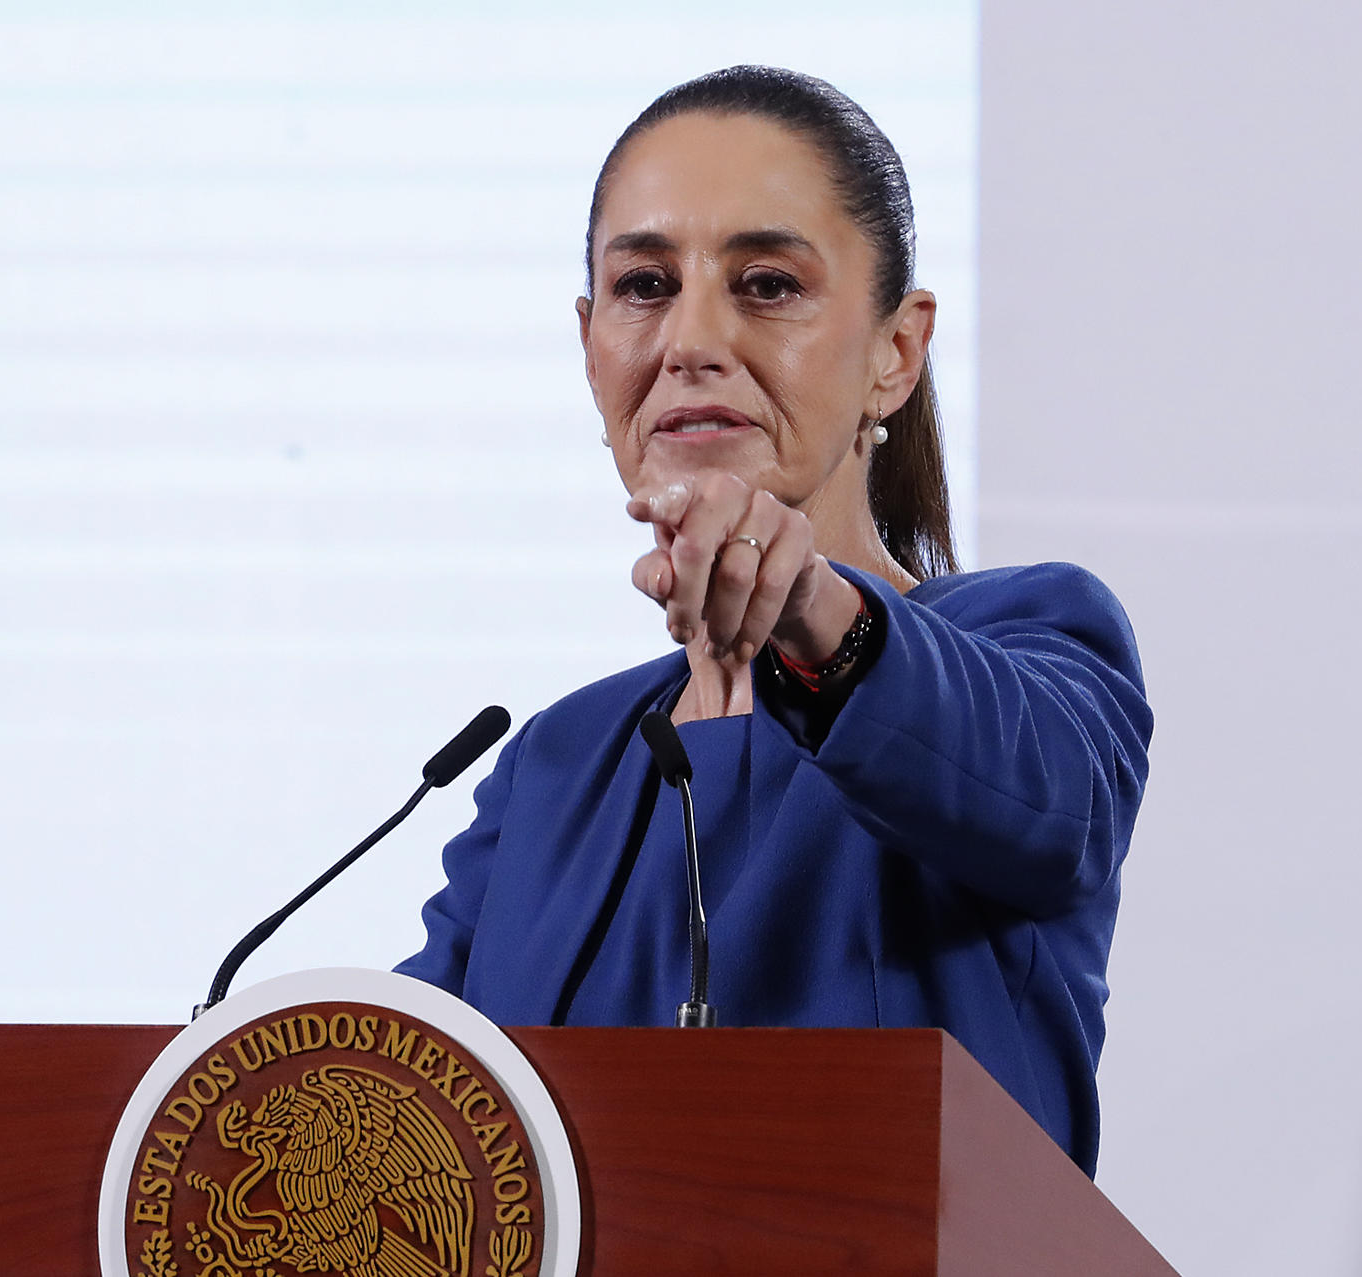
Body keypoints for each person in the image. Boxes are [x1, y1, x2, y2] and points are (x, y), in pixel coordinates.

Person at [396, 66, 1150, 1178]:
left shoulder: (1032, 636)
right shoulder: (552, 765)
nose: (691, 338)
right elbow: (405, 1112)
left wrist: (813, 610)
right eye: (645, 284)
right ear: (591, 339)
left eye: (764, 283)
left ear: (895, 352)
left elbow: (1047, 799)